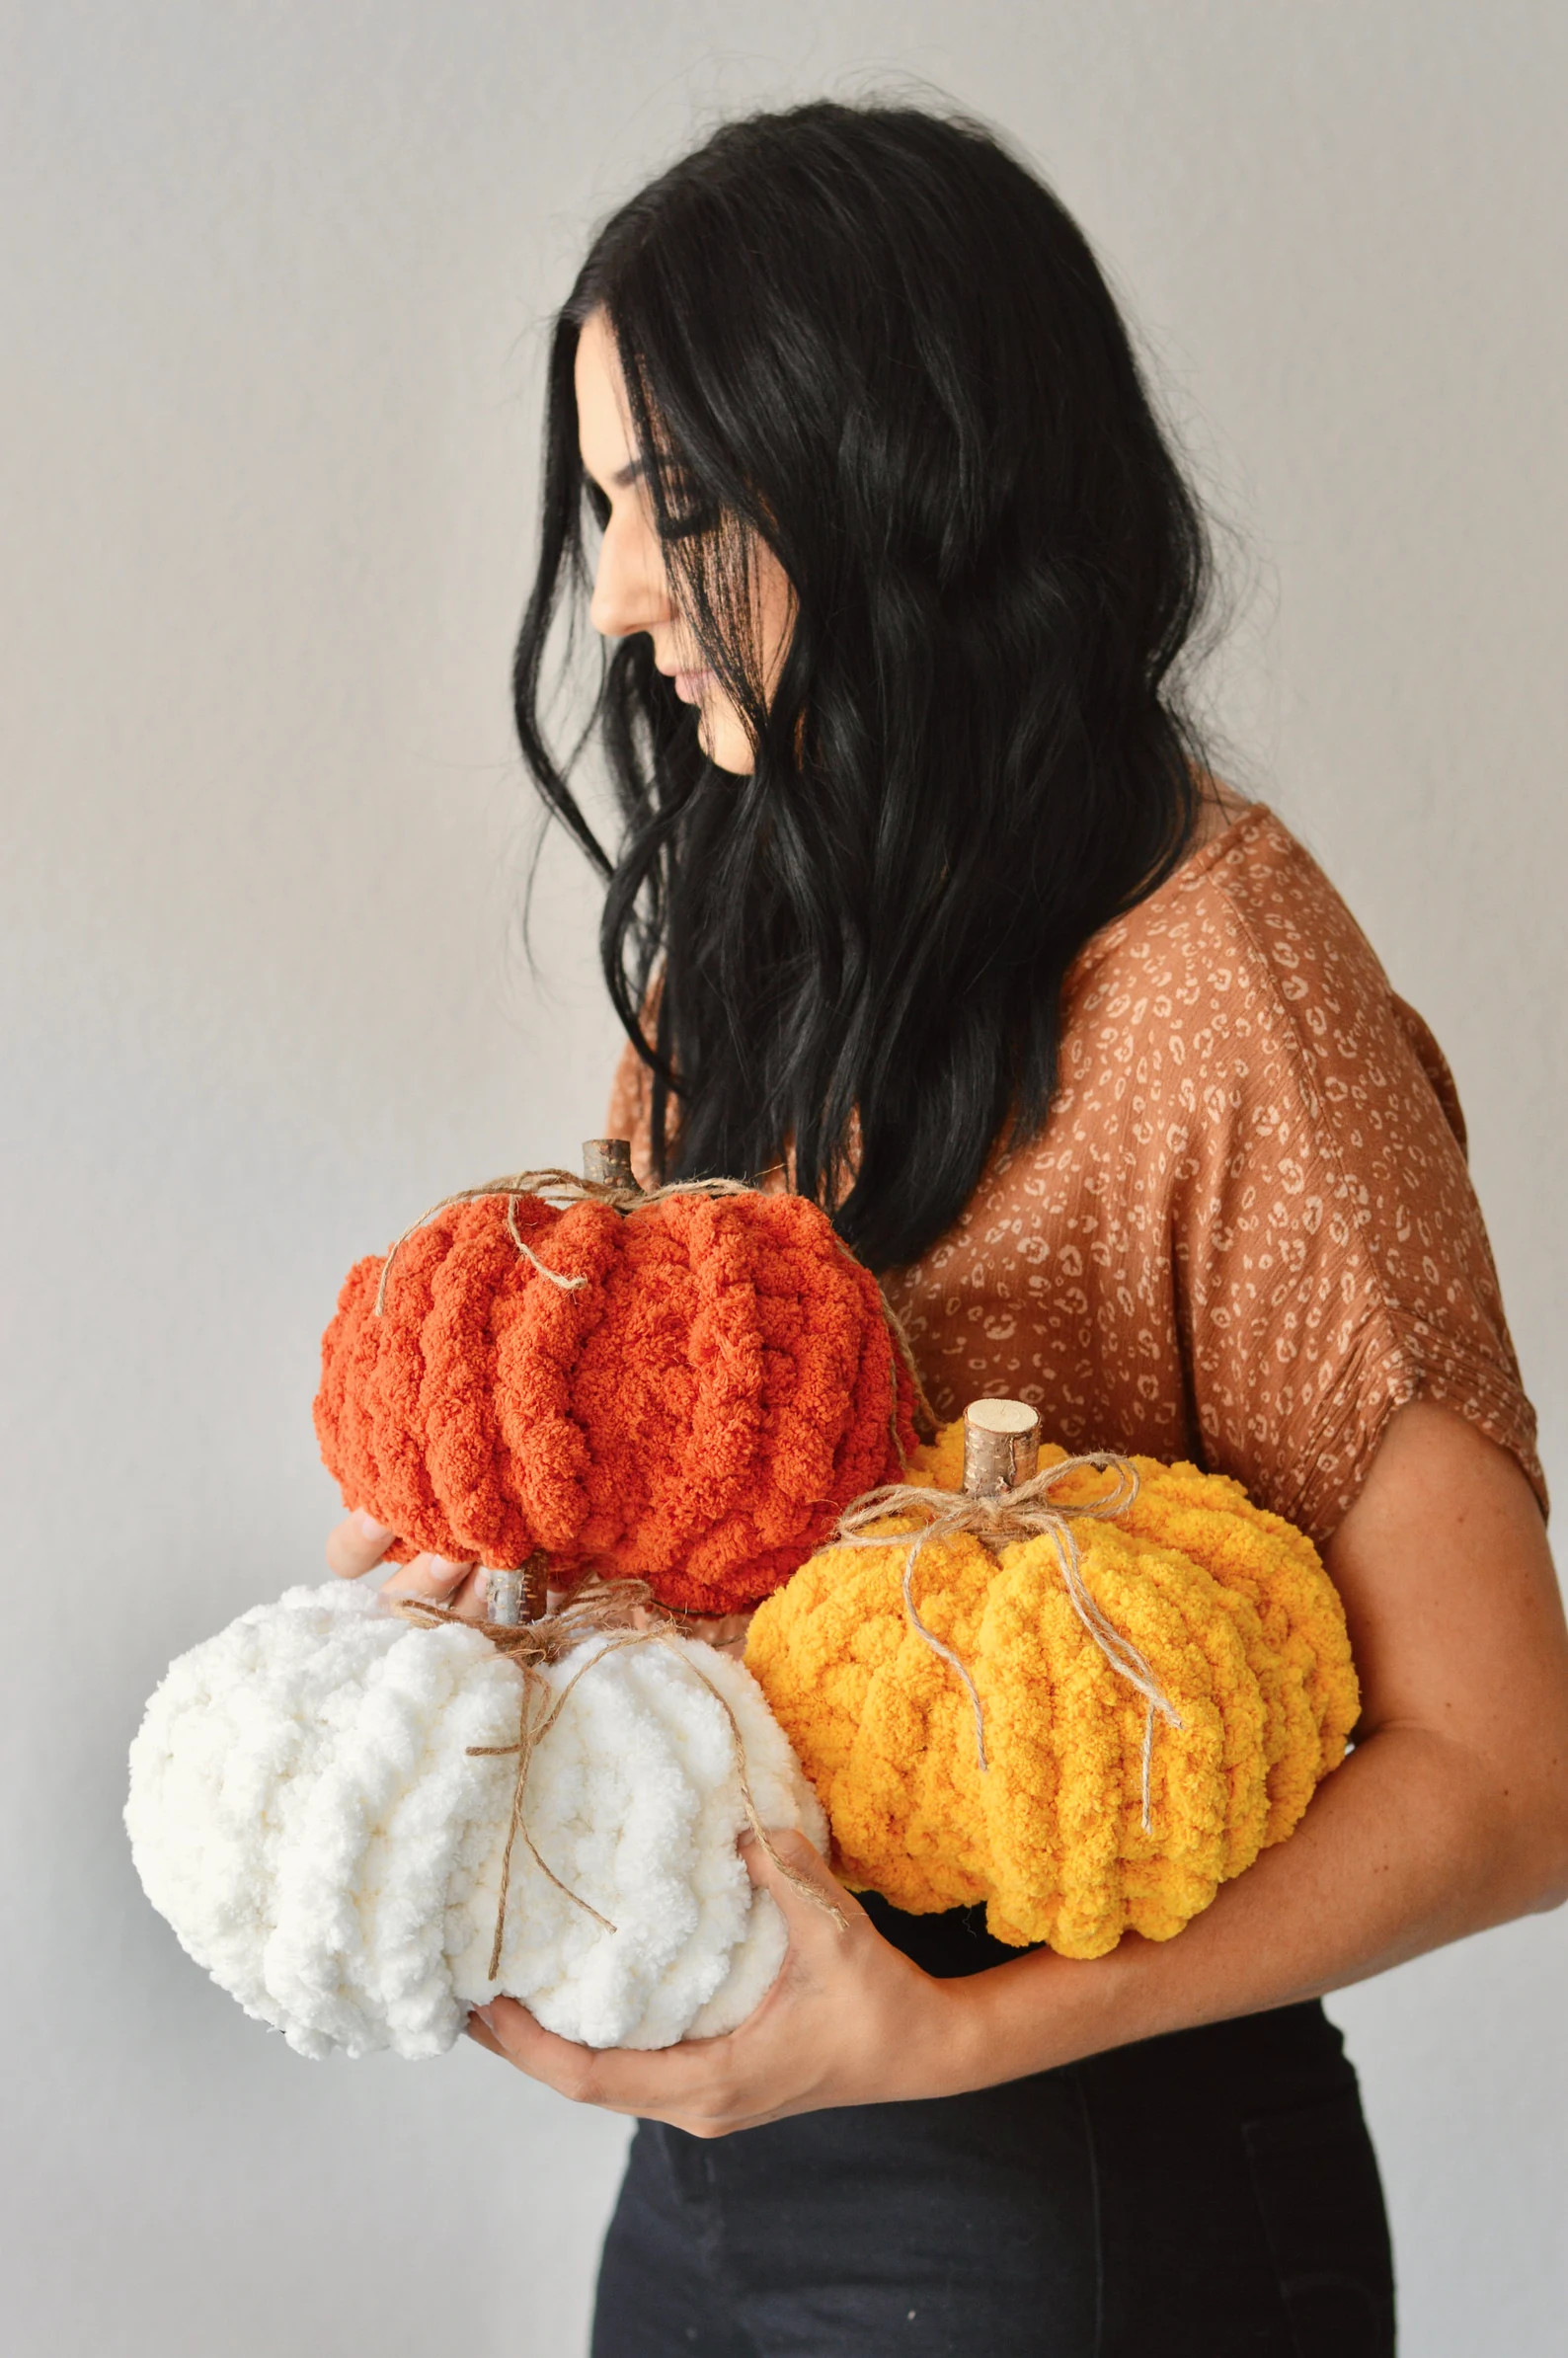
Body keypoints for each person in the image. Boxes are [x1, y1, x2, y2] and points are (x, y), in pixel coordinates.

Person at [326, 101, 1568, 2356]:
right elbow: (719, 1543)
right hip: (724, 2154)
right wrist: (477, 1582)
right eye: (602, 507)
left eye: (675, 505)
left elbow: (1504, 1779)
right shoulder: (751, 930)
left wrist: (949, 2044)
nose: (612, 592)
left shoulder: (1231, 988)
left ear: (904, 479)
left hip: (1080, 2192)